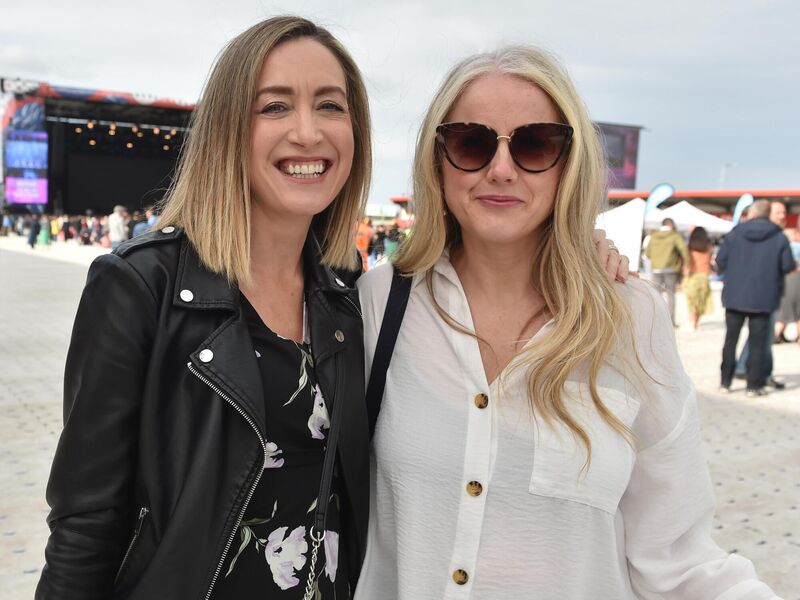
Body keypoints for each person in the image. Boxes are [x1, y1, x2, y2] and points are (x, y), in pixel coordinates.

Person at [355, 46, 779, 599]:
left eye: (535, 144)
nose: (500, 169)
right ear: (437, 160)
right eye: (471, 143)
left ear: (568, 164)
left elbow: (680, 558)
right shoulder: (379, 303)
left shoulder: (631, 317)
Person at [37, 16, 372, 600]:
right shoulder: (140, 285)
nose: (308, 132)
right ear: (227, 129)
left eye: (330, 105)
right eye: (274, 107)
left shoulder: (347, 289)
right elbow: (86, 523)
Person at [717, 199, 794, 396]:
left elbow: (720, 261)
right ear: (768, 214)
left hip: (735, 296)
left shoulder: (734, 234)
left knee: (730, 341)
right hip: (764, 297)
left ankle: (725, 382)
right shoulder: (779, 237)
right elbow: (787, 266)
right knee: (757, 344)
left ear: (751, 213)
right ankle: (753, 386)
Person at [644, 217, 689, 327]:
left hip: (656, 269)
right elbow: (684, 250)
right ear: (671, 225)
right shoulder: (675, 236)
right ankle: (670, 322)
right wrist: (687, 264)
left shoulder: (654, 236)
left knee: (656, 296)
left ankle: (656, 321)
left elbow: (647, 253)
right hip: (671, 269)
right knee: (671, 295)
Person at [683, 226, 714, 330]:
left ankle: (692, 320)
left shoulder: (690, 247)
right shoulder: (708, 247)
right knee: (701, 300)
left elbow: (687, 262)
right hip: (704, 276)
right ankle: (697, 322)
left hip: (692, 275)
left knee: (692, 300)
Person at [775, 227, 800, 343]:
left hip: (784, 279)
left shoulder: (781, 247)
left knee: (784, 310)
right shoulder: (796, 246)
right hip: (796, 278)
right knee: (798, 309)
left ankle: (777, 334)